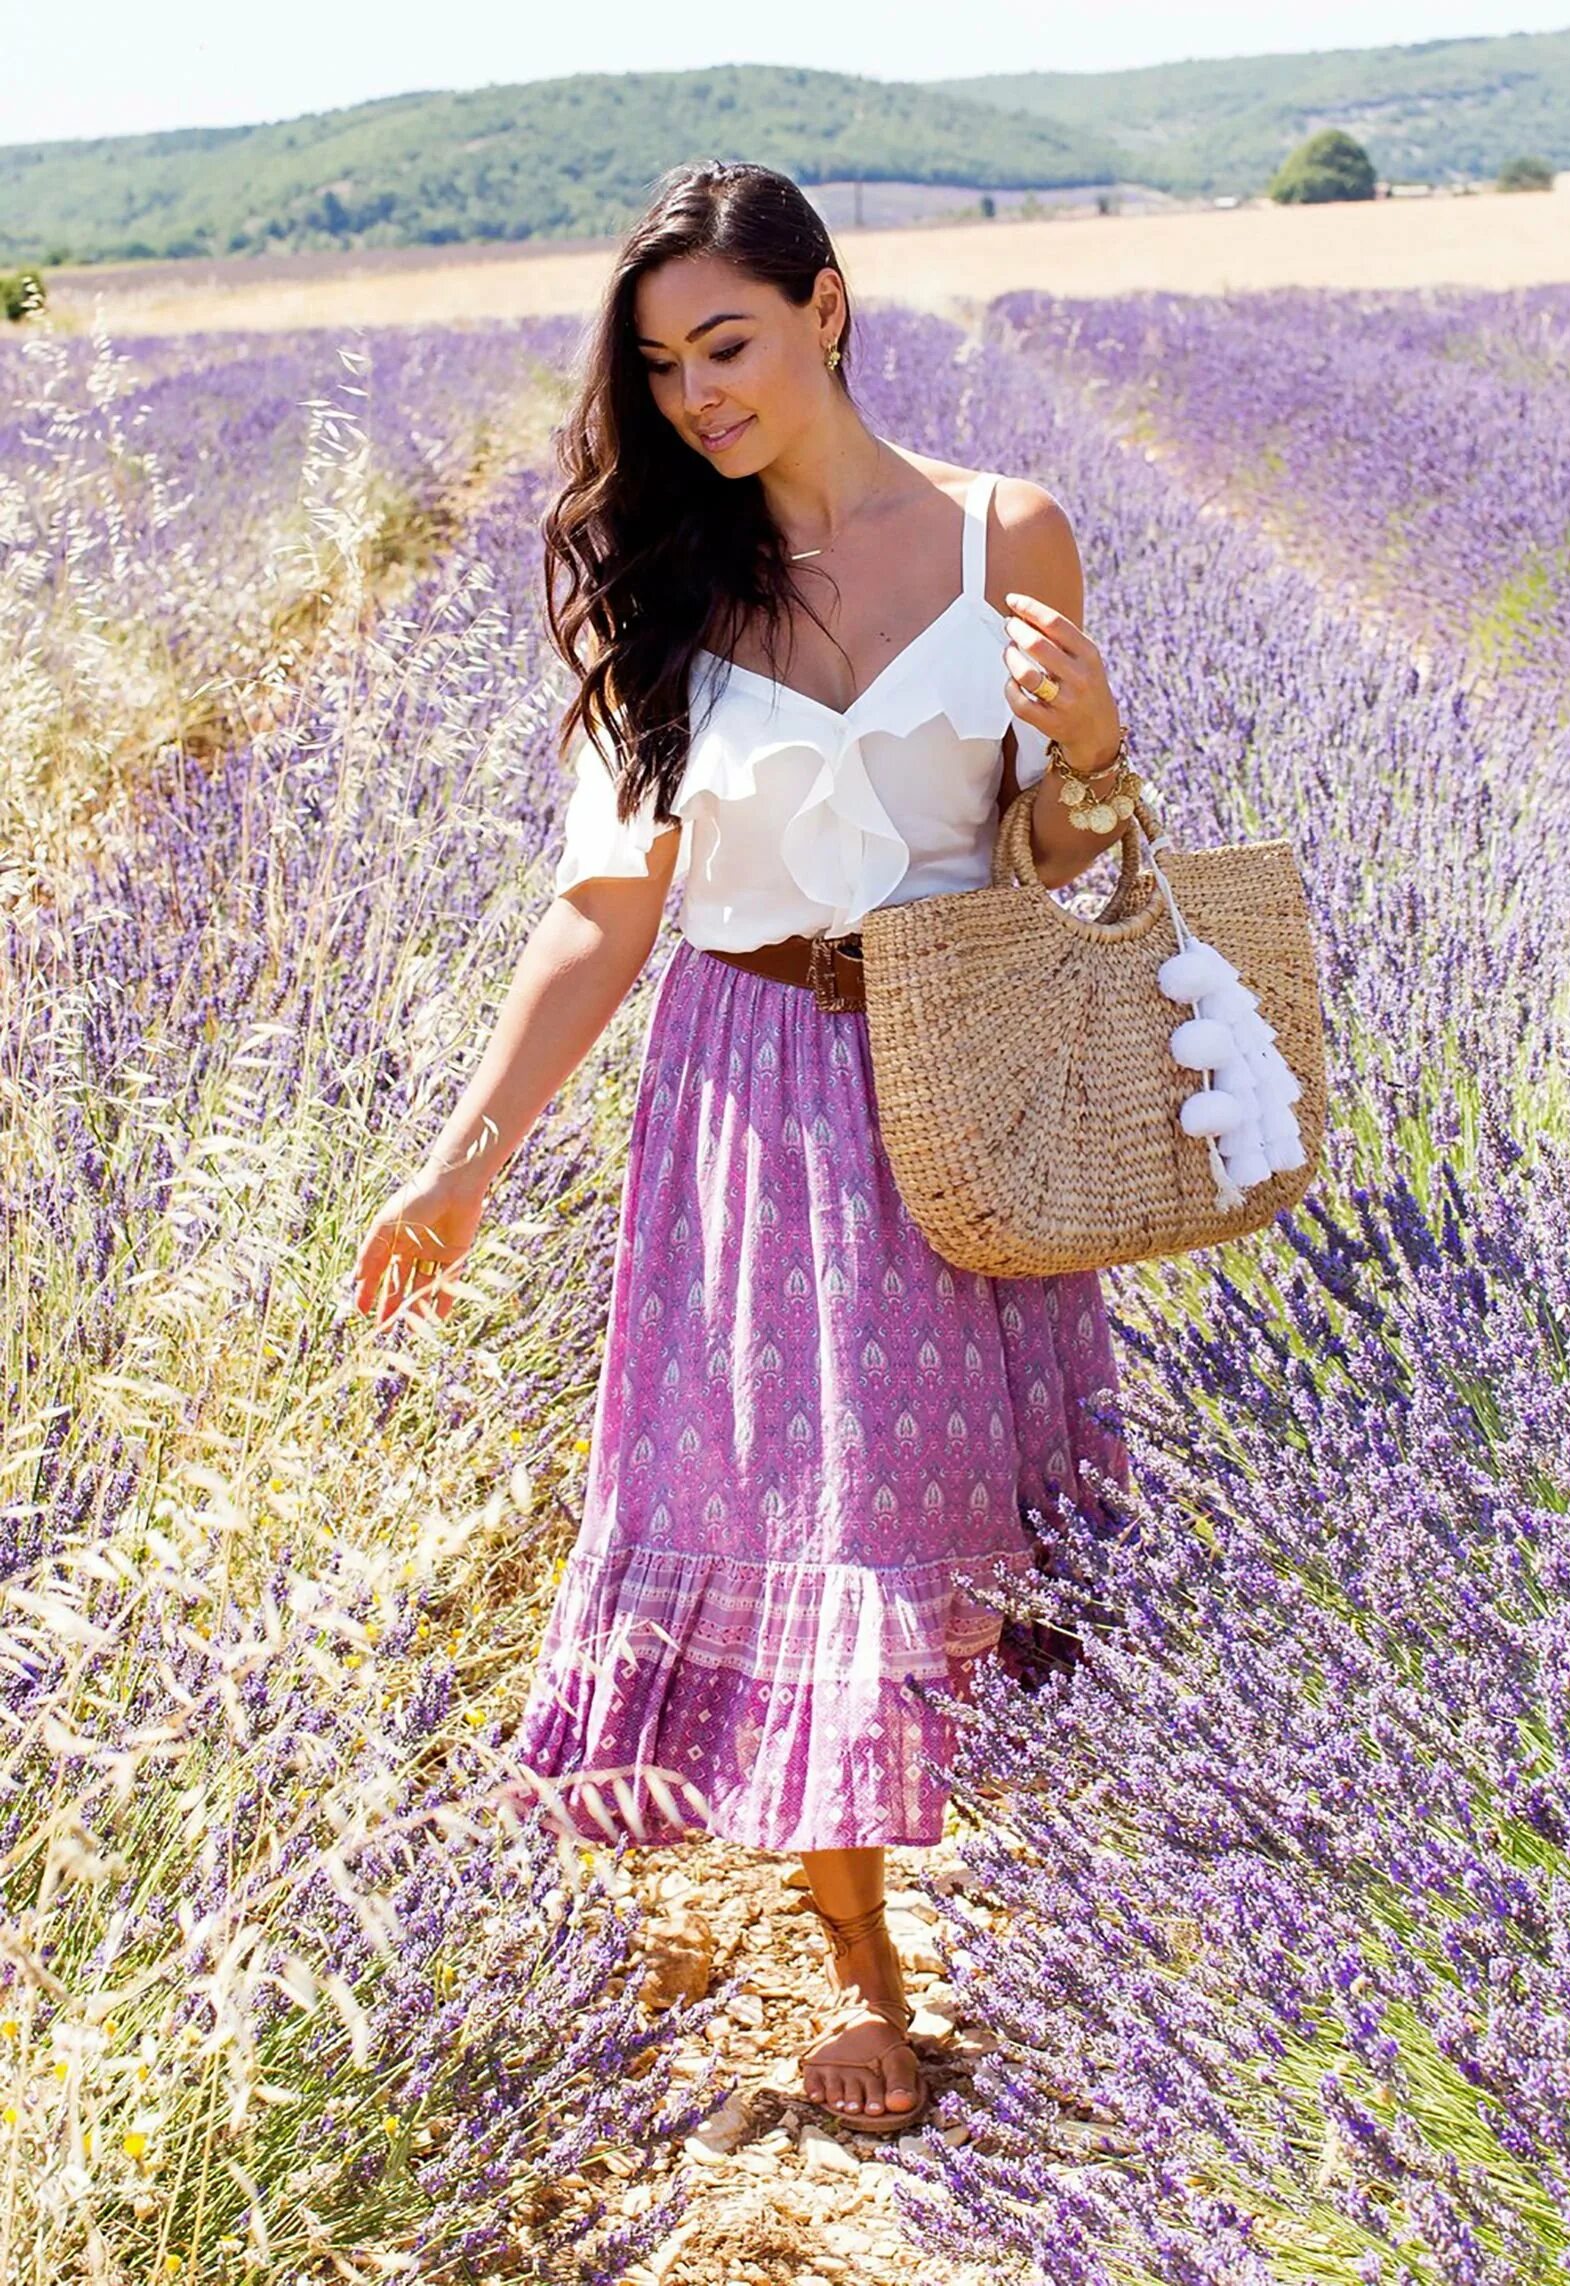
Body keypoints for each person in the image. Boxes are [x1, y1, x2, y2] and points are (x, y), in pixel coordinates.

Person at [350, 159, 1135, 2138]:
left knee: (976, 1524)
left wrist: (1102, 747)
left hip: (966, 1075)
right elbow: (602, 912)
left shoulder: (1003, 529)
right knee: (810, 1526)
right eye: (665, 368)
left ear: (829, 307)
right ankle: (865, 1963)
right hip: (753, 1100)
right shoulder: (665, 585)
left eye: (730, 343)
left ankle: (1104, 1899)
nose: (700, 396)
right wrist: (468, 1157)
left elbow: (1071, 866)